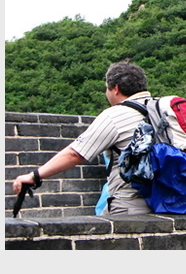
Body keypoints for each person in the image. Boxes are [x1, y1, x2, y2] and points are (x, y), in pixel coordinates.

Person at [12, 59, 154, 215]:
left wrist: (34, 176)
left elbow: (75, 154)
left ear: (116, 89)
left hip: (131, 205)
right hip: (171, 203)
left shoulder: (115, 115)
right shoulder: (164, 111)